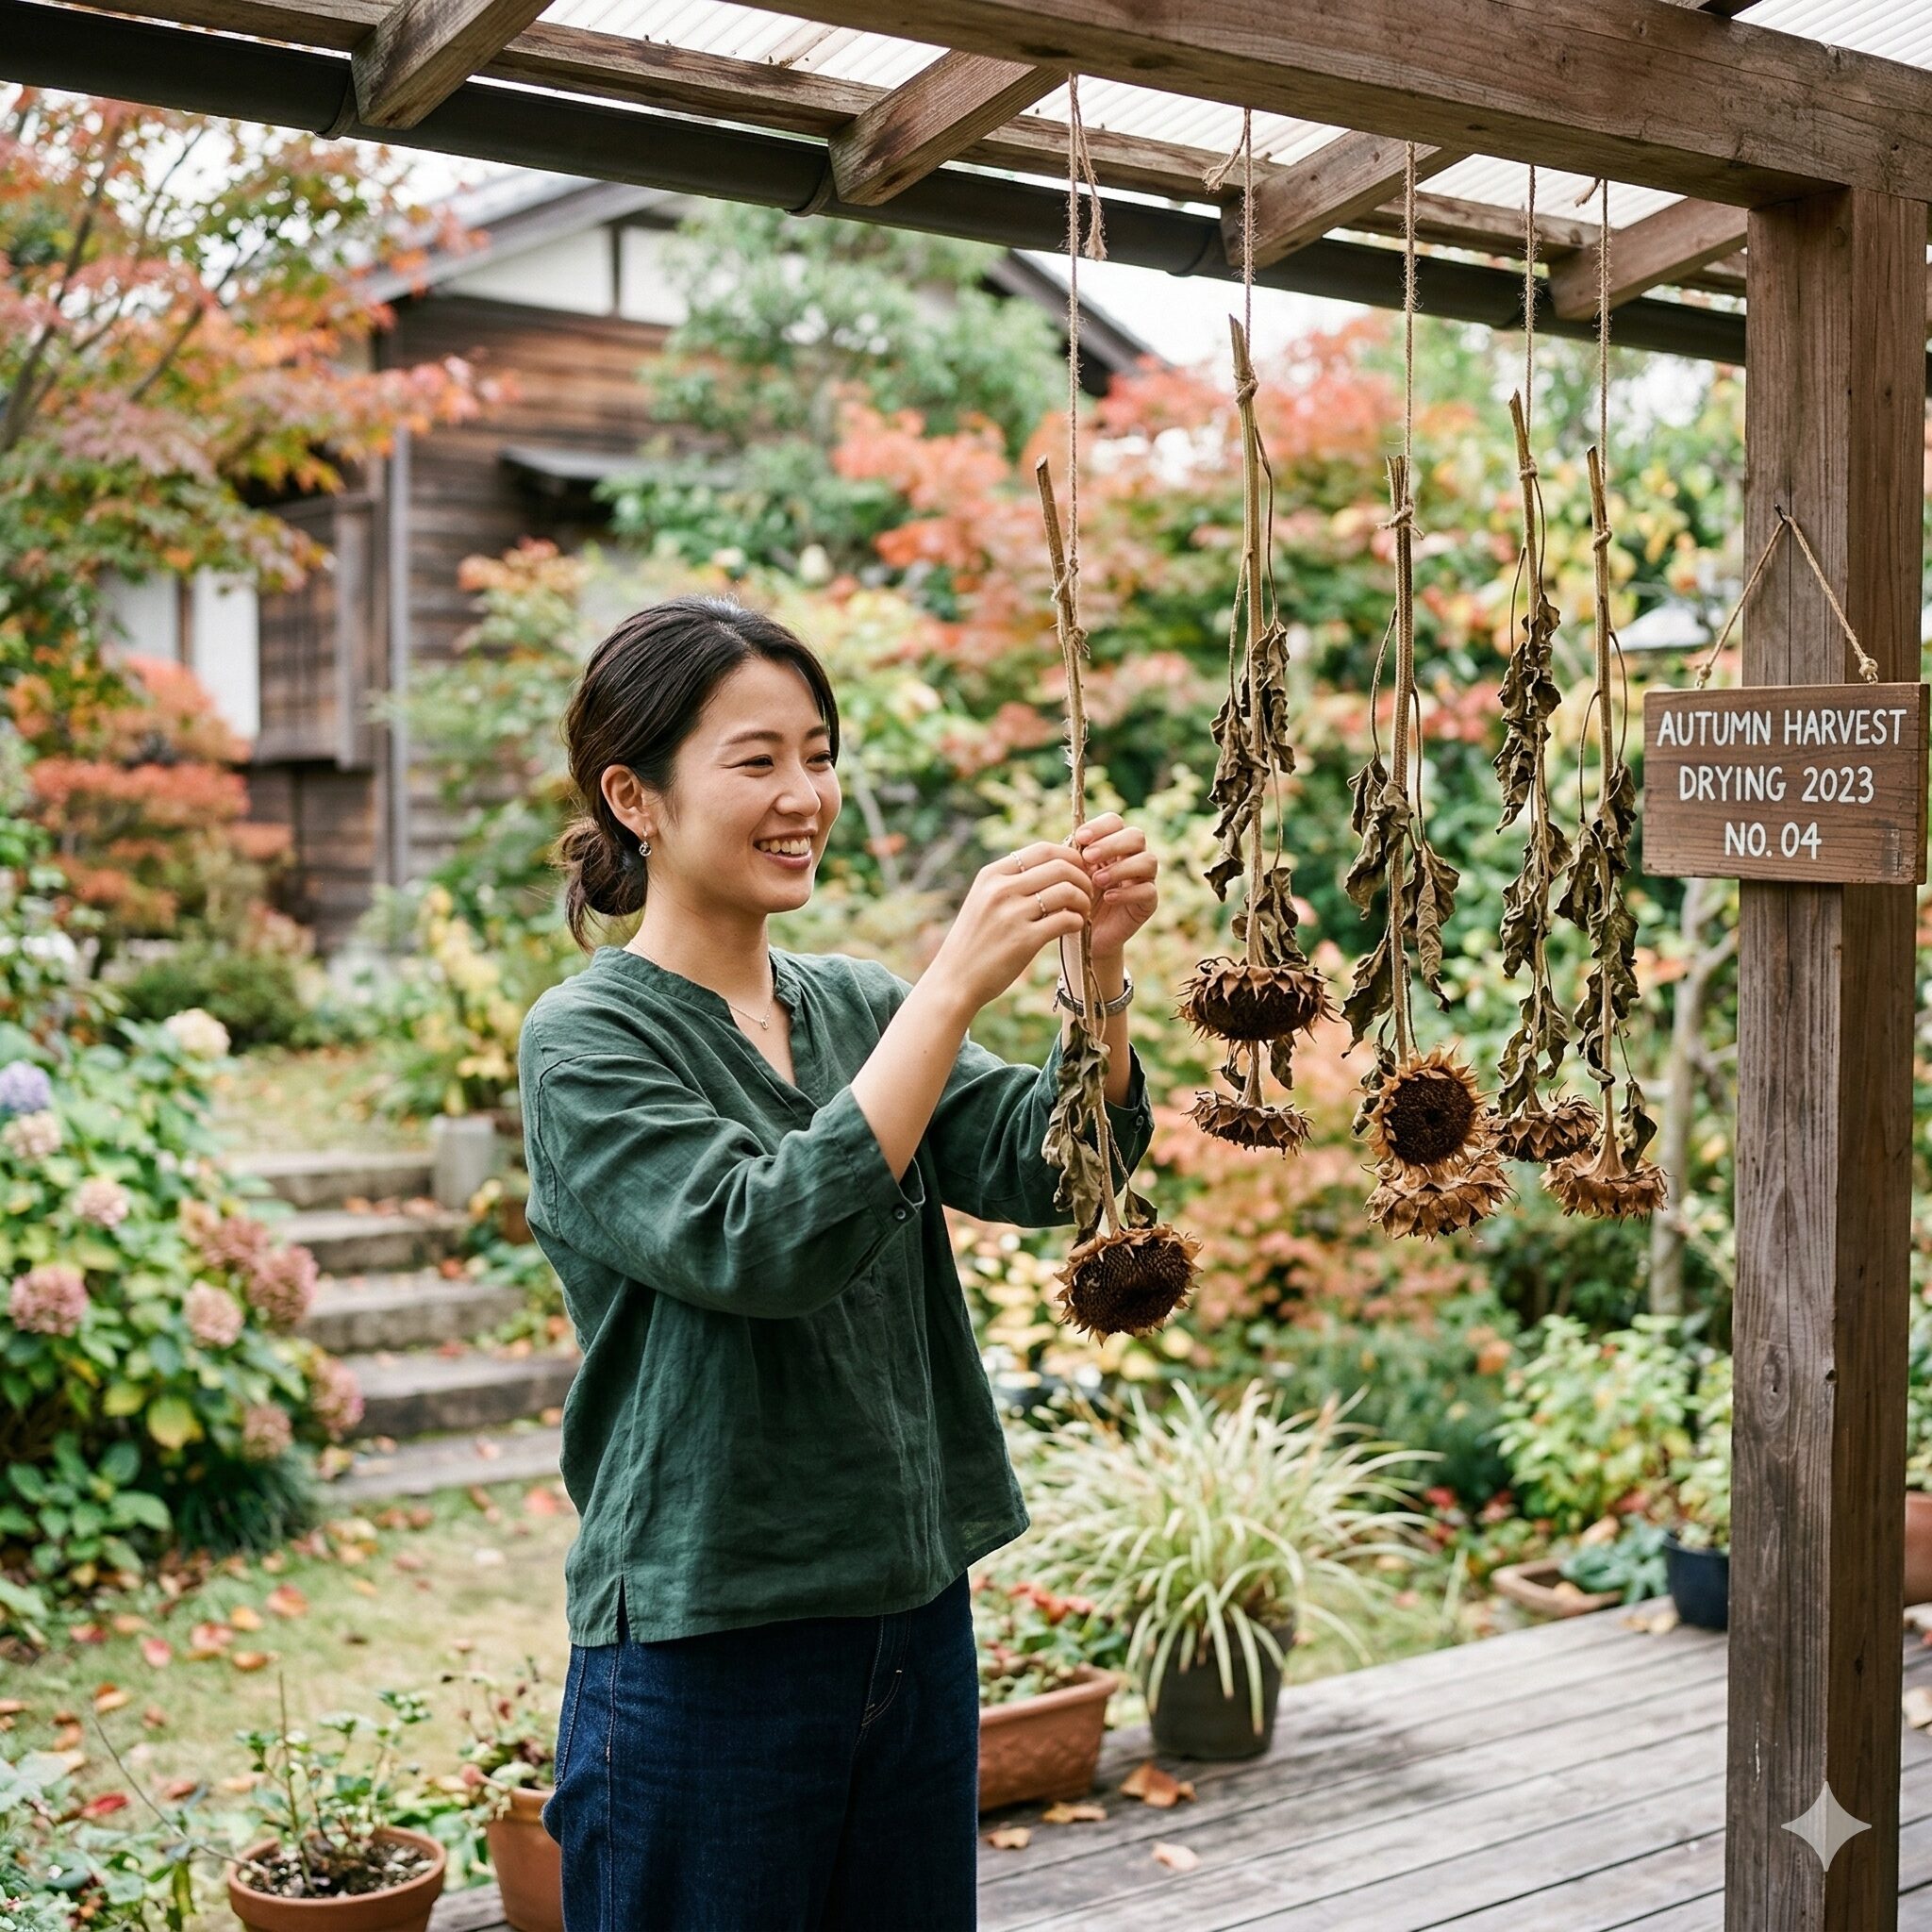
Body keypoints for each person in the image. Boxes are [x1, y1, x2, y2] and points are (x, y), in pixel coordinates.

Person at [515, 595, 1161, 1931]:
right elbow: (759, 1240)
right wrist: (949, 992)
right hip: (708, 1641)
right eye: (756, 761)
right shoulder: (586, 1044)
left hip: (910, 1611)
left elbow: (1051, 1170)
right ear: (634, 796)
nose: (804, 793)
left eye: (819, 752)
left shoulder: (853, 1003)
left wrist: (1096, 977)